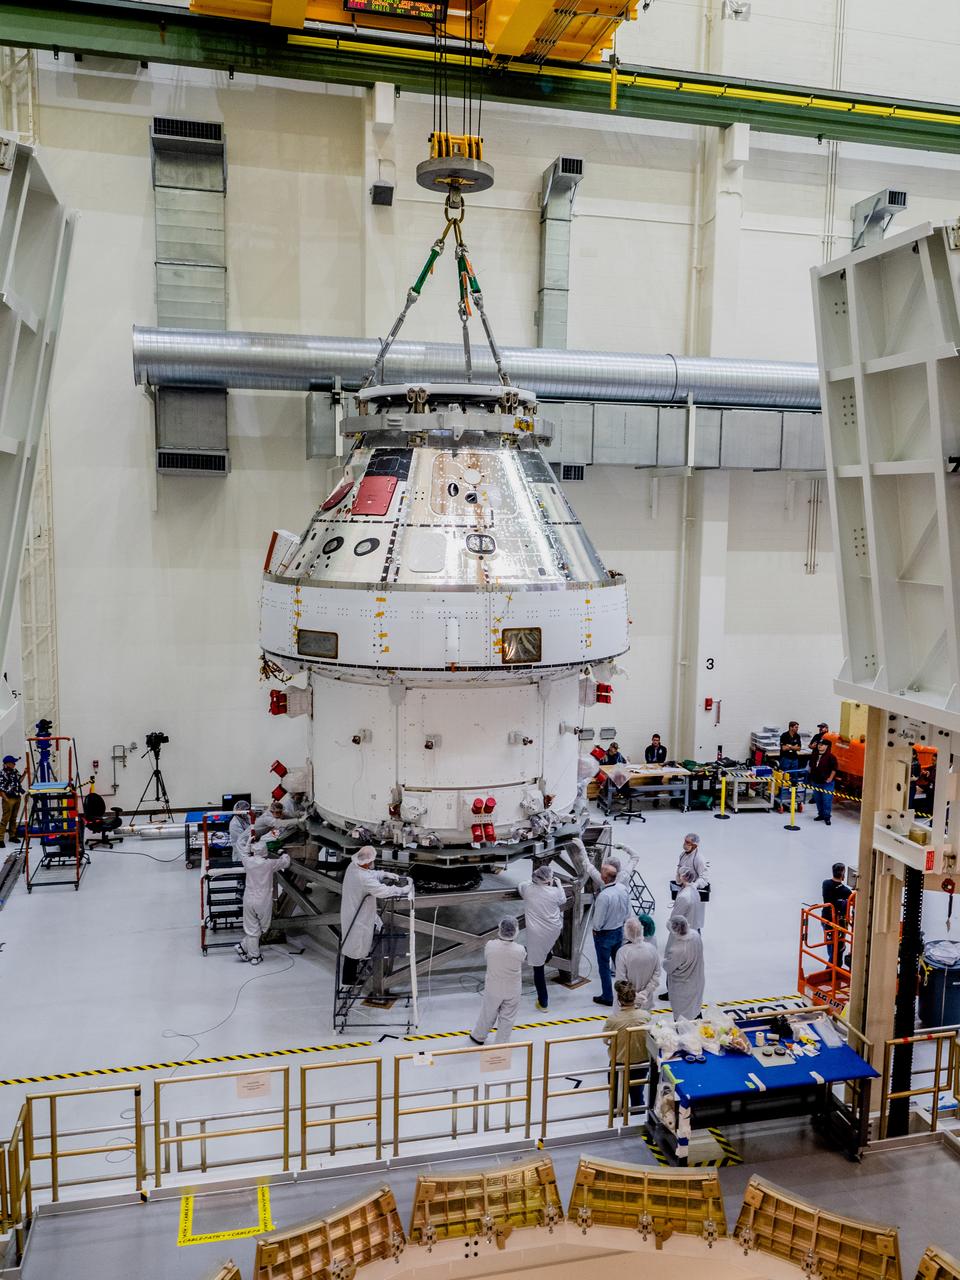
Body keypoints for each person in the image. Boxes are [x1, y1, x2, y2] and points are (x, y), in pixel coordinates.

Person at [339, 846, 410, 986]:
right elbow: (383, 891)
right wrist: (402, 890)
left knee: (352, 945)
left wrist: (384, 874)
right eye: (371, 861)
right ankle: (349, 979)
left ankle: (350, 975)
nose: (373, 863)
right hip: (358, 917)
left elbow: (369, 874)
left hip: (352, 911)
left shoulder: (353, 866)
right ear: (366, 862)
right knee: (356, 946)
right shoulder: (363, 877)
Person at [235, 834, 290, 964]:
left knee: (251, 927)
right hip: (263, 900)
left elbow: (243, 852)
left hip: (248, 898)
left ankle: (244, 947)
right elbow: (286, 862)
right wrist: (282, 852)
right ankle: (253, 955)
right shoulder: (269, 864)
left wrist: (249, 841)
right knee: (263, 927)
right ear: (265, 851)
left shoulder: (248, 862)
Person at [470, 917, 526, 1045]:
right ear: (516, 931)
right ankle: (501, 1043)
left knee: (488, 1012)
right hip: (513, 989)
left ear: (500, 929)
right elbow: (522, 959)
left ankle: (478, 1036)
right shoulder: (520, 950)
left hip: (493, 988)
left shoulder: (490, 945)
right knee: (508, 1018)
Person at [519, 865, 567, 1011]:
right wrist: (557, 884)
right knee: (545, 952)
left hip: (536, 934)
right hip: (554, 930)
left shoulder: (528, 890)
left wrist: (535, 882)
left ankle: (543, 1002)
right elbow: (563, 899)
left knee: (537, 967)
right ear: (548, 881)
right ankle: (547, 955)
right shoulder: (554, 892)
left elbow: (521, 885)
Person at [603, 979, 650, 1111]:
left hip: (620, 1063)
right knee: (637, 1095)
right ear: (635, 998)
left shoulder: (613, 1020)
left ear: (618, 1000)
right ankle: (638, 1121)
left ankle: (616, 1123)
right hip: (641, 1062)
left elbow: (605, 1040)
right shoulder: (645, 1016)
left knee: (616, 1099)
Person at [592, 862, 631, 1006]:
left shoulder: (604, 896)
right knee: (620, 965)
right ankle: (626, 993)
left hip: (604, 935)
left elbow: (598, 921)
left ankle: (608, 997)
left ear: (605, 878)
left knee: (604, 966)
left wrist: (596, 930)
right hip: (619, 930)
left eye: (602, 872)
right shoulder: (622, 888)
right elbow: (627, 911)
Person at [663, 915, 705, 1021]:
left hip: (683, 989)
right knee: (696, 1008)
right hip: (697, 980)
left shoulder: (678, 949)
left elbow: (668, 967)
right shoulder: (695, 935)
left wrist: (664, 960)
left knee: (683, 1020)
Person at [614, 916, 661, 1008]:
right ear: (641, 930)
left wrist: (634, 996)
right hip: (646, 1000)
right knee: (644, 1020)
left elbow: (621, 980)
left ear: (626, 932)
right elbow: (657, 974)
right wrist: (645, 992)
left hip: (627, 1002)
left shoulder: (623, 952)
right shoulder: (652, 949)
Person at [821, 861, 853, 966]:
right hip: (838, 923)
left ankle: (832, 969)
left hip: (826, 919)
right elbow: (847, 905)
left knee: (831, 946)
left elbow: (831, 899)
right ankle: (831, 971)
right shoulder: (846, 892)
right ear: (843, 874)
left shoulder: (826, 884)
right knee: (839, 949)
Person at [808, 738, 839, 825]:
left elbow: (834, 769)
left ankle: (827, 816)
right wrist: (811, 776)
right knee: (818, 799)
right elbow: (810, 766)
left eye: (822, 745)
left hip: (826, 783)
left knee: (827, 800)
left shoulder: (831, 757)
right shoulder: (814, 755)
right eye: (819, 744)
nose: (819, 746)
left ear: (827, 746)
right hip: (816, 781)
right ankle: (820, 814)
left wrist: (830, 778)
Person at [670, 866, 704, 933]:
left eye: (679, 875)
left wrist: (670, 926)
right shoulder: (693, 889)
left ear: (684, 877)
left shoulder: (683, 897)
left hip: (683, 932)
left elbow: (675, 918)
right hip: (692, 928)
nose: (677, 876)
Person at [0, 754, 24, 849]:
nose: (14, 764)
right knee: (5, 818)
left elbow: (19, 781)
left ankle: (12, 836)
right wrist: (5, 799)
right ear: (7, 764)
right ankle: (0, 839)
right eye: (13, 763)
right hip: (8, 798)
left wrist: (25, 773)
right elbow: (0, 788)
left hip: (17, 797)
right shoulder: (2, 773)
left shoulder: (15, 771)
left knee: (13, 818)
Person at [228, 800, 253, 864]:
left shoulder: (246, 818)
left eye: (246, 810)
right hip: (240, 853)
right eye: (244, 810)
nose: (245, 812)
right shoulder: (234, 823)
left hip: (247, 850)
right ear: (237, 810)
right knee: (241, 870)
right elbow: (242, 838)